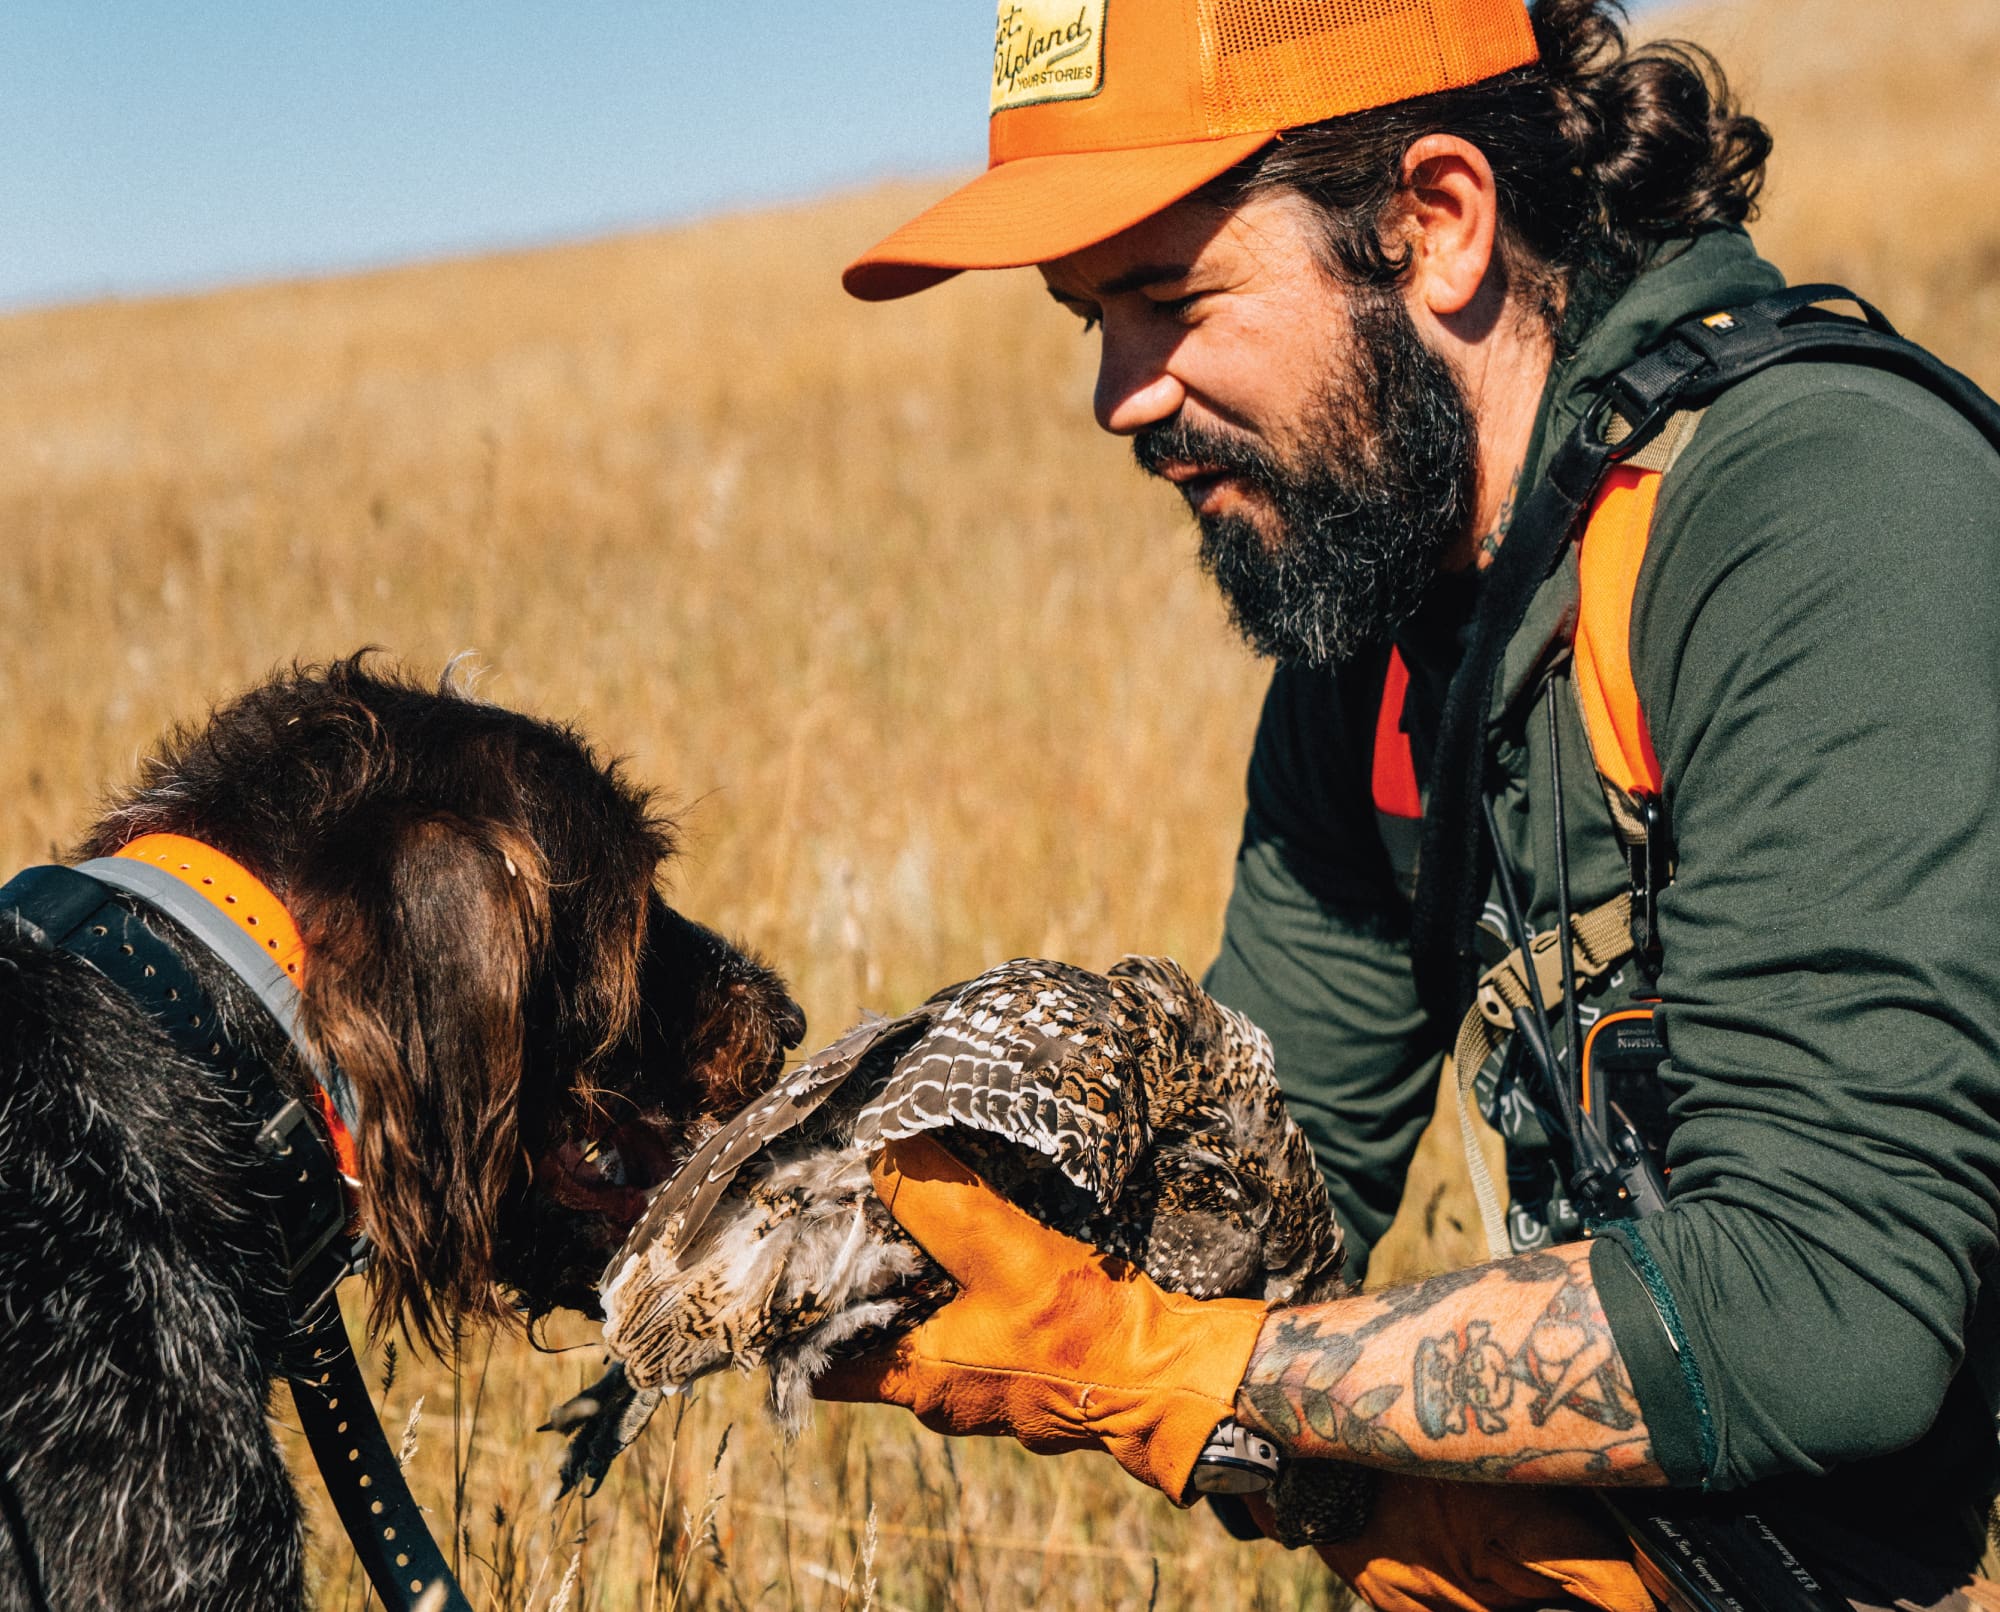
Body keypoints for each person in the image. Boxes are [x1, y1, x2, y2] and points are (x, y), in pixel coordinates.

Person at [816, 1, 2000, 1607]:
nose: (1120, 396)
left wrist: (1213, 1373)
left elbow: (1826, 1311)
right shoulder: (1378, 639)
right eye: (1086, 318)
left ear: (1437, 224)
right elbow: (1223, 1214)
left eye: (1168, 298)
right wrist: (772, 1191)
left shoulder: (1822, 511)